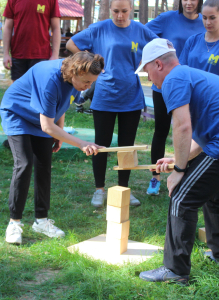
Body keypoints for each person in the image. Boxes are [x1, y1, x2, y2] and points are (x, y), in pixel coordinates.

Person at [136, 38, 219, 285]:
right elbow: (201, 134)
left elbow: (183, 126)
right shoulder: (188, 75)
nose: (147, 75)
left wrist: (179, 169)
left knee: (181, 198)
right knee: (214, 195)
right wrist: (179, 157)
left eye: (146, 69)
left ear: (158, 64)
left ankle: (174, 271)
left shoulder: (173, 79)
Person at [1, 52, 105, 244]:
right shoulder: (50, 79)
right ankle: (14, 223)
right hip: (17, 113)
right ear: (74, 73)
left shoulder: (76, 78)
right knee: (24, 164)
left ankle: (41, 221)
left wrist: (61, 132)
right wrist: (80, 143)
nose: (88, 87)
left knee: (44, 165)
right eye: (87, 82)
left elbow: (63, 104)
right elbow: (47, 126)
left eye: (92, 83)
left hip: (42, 118)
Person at [66, 0, 157, 207]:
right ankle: (99, 190)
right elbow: (72, 44)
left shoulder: (141, 30)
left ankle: (124, 189)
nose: (120, 16)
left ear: (131, 10)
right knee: (100, 145)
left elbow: (160, 47)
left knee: (126, 147)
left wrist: (151, 66)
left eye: (124, 11)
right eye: (116, 11)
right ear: (110, 10)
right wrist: (91, 62)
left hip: (131, 96)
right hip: (105, 95)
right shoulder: (99, 28)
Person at [144, 0, 205, 196]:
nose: (188, 2)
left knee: (194, 132)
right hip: (163, 86)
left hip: (190, 87)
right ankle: (156, 177)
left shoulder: (205, 21)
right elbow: (144, 34)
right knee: (161, 131)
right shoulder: (167, 18)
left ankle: (187, 174)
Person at [180, 0, 219, 80]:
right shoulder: (192, 40)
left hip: (214, 92)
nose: (208, 22)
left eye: (212, 18)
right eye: (204, 18)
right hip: (189, 91)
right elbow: (181, 71)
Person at [3, 0, 61, 81]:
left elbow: (56, 28)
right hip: (18, 55)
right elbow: (7, 27)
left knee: (38, 91)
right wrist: (5, 53)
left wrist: (55, 55)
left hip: (42, 55)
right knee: (18, 92)